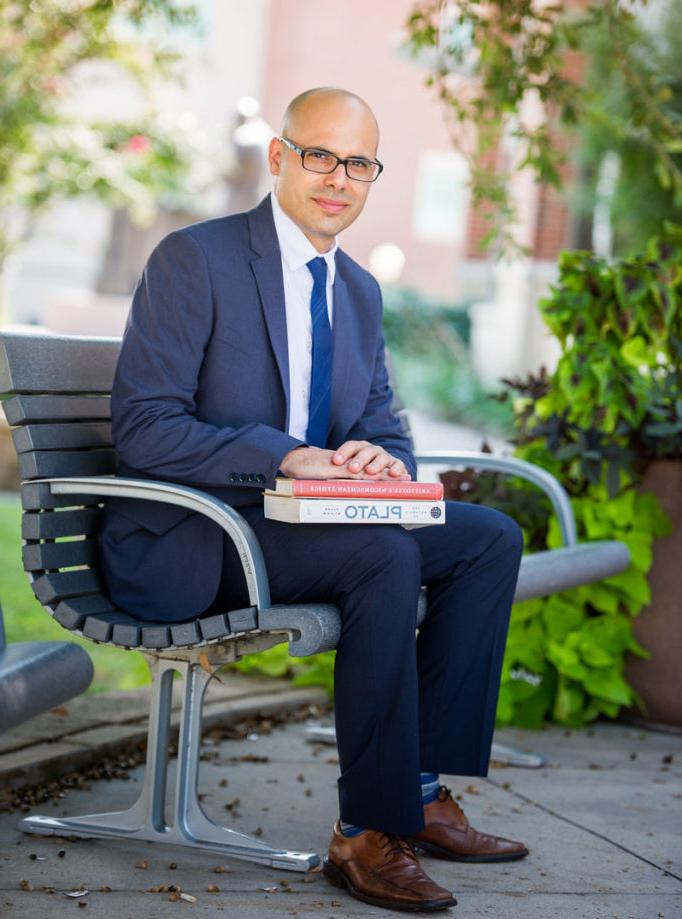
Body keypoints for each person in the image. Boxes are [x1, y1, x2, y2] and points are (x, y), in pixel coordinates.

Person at [101, 87, 527, 913]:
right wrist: (283, 454)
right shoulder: (197, 258)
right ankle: (367, 832)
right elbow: (144, 427)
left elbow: (387, 430)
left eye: (358, 163)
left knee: (488, 537)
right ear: (279, 157)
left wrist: (381, 459)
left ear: (372, 177)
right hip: (193, 534)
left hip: (300, 525)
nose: (338, 178)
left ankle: (422, 791)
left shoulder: (358, 291)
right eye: (320, 155)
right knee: (383, 553)